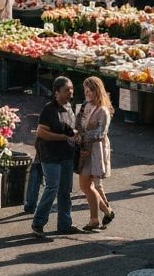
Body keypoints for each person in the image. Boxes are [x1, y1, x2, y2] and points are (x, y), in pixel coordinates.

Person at [32, 76, 83, 237]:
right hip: (50, 155)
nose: (71, 92)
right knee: (52, 187)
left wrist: (75, 136)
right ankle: (38, 223)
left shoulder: (69, 108)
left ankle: (65, 224)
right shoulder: (49, 109)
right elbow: (41, 132)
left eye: (72, 89)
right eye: (67, 89)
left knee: (65, 191)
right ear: (57, 92)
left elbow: (69, 130)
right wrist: (63, 138)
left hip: (67, 155)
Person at [77, 76, 115, 231]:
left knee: (88, 185)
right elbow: (79, 123)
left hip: (96, 150)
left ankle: (95, 219)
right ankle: (107, 212)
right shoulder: (85, 106)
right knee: (88, 185)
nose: (87, 93)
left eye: (90, 89)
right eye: (85, 89)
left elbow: (101, 133)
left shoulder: (103, 110)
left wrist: (82, 136)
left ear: (97, 91)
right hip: (85, 149)